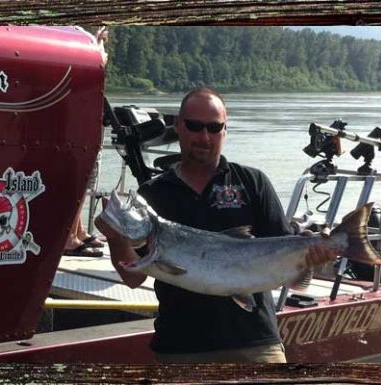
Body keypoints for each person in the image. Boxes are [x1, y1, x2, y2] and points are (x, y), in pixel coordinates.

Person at [94, 87, 337, 363]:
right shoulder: (153, 195)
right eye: (194, 126)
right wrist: (116, 237)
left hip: (254, 343)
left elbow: (283, 246)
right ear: (178, 127)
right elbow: (133, 278)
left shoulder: (252, 182)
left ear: (225, 130)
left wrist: (313, 252)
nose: (204, 136)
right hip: (179, 348)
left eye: (214, 127)